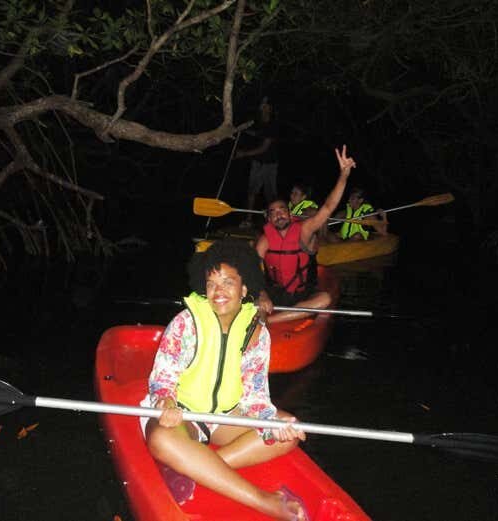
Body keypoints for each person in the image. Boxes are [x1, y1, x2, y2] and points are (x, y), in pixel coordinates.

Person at [142, 239, 309, 520]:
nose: (218, 291)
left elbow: (255, 395)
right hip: (182, 414)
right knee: (161, 439)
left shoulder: (256, 333)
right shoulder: (187, 322)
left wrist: (271, 423)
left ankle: (198, 468)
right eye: (211, 284)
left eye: (228, 282)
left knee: (287, 432)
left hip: (227, 415)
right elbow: (163, 376)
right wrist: (166, 401)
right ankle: (265, 501)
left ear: (244, 288)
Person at [255, 145, 356, 324]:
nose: (279, 214)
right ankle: (258, 322)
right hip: (274, 292)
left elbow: (327, 208)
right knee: (252, 295)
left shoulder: (304, 230)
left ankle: (270, 321)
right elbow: (252, 269)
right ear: (269, 219)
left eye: (282, 210)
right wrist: (262, 294)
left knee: (324, 299)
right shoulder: (265, 240)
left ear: (289, 214)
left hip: (302, 294)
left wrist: (344, 175)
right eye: (273, 212)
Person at [235, 97, 279, 228]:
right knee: (252, 192)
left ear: (270, 109)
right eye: (262, 105)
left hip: (269, 164)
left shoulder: (273, 124)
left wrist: (243, 153)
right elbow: (259, 134)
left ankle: (274, 220)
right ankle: (249, 219)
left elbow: (264, 148)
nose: (263, 107)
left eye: (266, 105)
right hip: (257, 163)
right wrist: (244, 131)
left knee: (270, 194)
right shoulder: (261, 123)